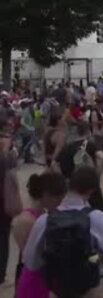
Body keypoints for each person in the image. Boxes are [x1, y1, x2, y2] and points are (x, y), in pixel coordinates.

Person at [23, 167, 103, 298]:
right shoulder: (96, 217)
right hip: (92, 288)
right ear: (91, 191)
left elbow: (31, 262)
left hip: (58, 289)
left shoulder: (45, 221)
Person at [12, 172, 67, 298]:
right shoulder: (27, 221)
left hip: (45, 278)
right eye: (58, 199)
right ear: (47, 196)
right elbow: (31, 257)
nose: (60, 203)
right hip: (35, 280)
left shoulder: (43, 215)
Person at [54, 121, 103, 212]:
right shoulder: (90, 144)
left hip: (72, 180)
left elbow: (54, 164)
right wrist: (97, 175)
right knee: (99, 208)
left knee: (71, 208)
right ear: (88, 131)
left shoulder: (68, 147)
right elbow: (102, 158)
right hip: (88, 179)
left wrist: (62, 178)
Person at [0, 114, 22, 287]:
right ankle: (1, 276)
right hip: (2, 196)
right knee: (2, 236)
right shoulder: (6, 145)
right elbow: (11, 166)